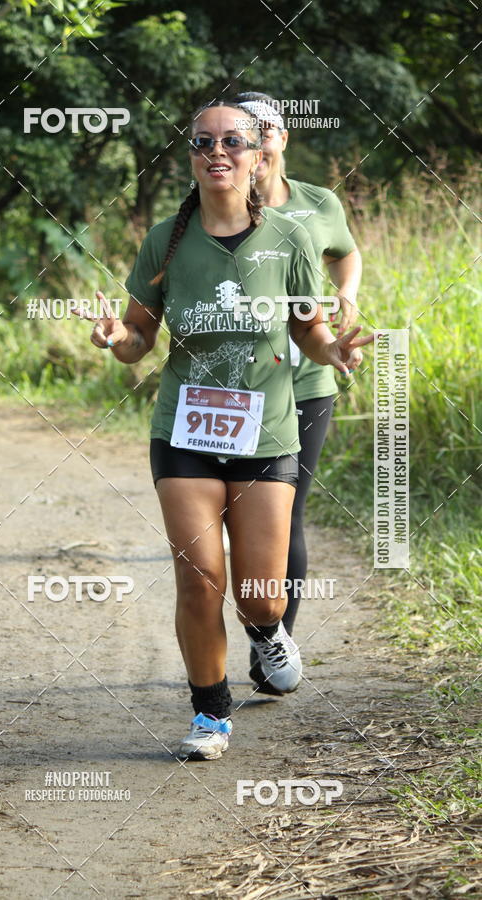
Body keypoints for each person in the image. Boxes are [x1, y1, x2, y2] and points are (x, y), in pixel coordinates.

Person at [78, 100, 372, 760]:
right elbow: (141, 337)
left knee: (260, 598)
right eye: (203, 142)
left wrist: (337, 352)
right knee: (199, 578)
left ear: (257, 157)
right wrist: (116, 336)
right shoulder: (167, 240)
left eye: (233, 141)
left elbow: (308, 331)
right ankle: (210, 716)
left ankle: (267, 633)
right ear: (192, 157)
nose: (217, 152)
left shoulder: (290, 242)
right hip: (185, 429)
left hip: (266, 433)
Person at [233, 91, 363, 647]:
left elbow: (346, 252)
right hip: (235, 391)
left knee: (287, 514)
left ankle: (275, 642)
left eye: (267, 130)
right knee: (237, 523)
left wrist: (347, 295)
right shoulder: (215, 202)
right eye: (245, 132)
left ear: (283, 137)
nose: (258, 141)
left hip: (306, 385)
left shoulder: (318, 203)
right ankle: (256, 625)